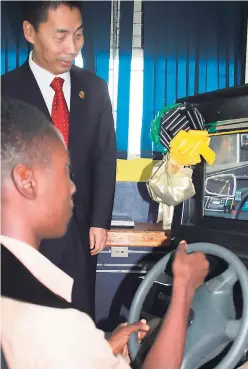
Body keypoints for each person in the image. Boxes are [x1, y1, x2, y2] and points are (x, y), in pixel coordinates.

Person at [1, 99, 248, 369]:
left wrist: (102, 348)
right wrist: (184, 290)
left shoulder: (17, 288)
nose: (73, 187)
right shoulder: (47, 316)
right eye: (65, 172)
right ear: (27, 182)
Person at [1, 1, 116, 318]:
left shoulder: (94, 89)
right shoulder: (4, 92)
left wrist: (99, 220)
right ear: (30, 32)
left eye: (78, 35)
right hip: (23, 236)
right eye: (60, 36)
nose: (72, 48)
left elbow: (104, 158)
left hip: (80, 231)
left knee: (76, 320)